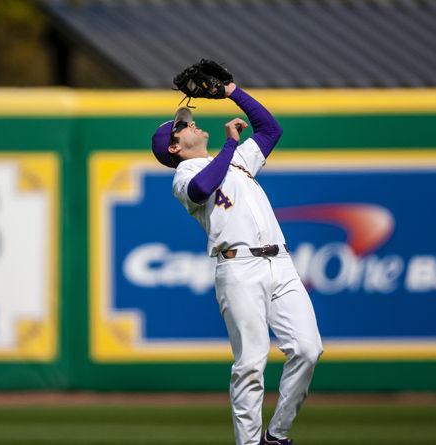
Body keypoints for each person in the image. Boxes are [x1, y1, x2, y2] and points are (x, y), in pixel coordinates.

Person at [151, 83, 323, 445]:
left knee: (308, 349)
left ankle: (276, 434)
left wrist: (232, 90)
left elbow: (270, 129)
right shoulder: (182, 177)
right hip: (238, 268)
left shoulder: (239, 161)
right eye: (183, 126)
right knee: (250, 365)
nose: (192, 124)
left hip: (281, 262)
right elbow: (202, 188)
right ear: (174, 147)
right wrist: (229, 144)